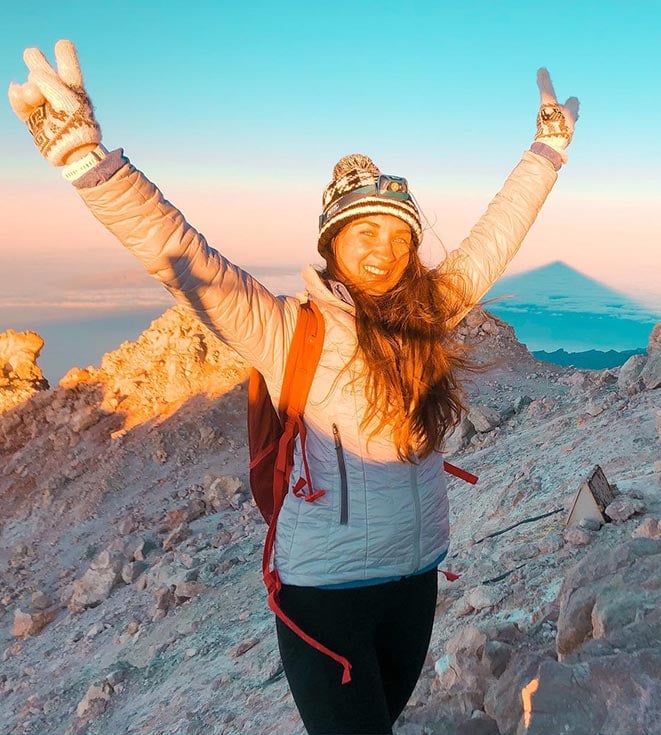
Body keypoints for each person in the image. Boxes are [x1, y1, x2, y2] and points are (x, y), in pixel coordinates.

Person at [8, 40, 578, 735]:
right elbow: (180, 255)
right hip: (322, 597)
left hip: (416, 578)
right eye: (362, 231)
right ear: (330, 244)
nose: (384, 248)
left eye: (399, 234)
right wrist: (86, 160)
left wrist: (546, 150)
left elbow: (497, 234)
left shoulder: (431, 313)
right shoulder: (283, 330)